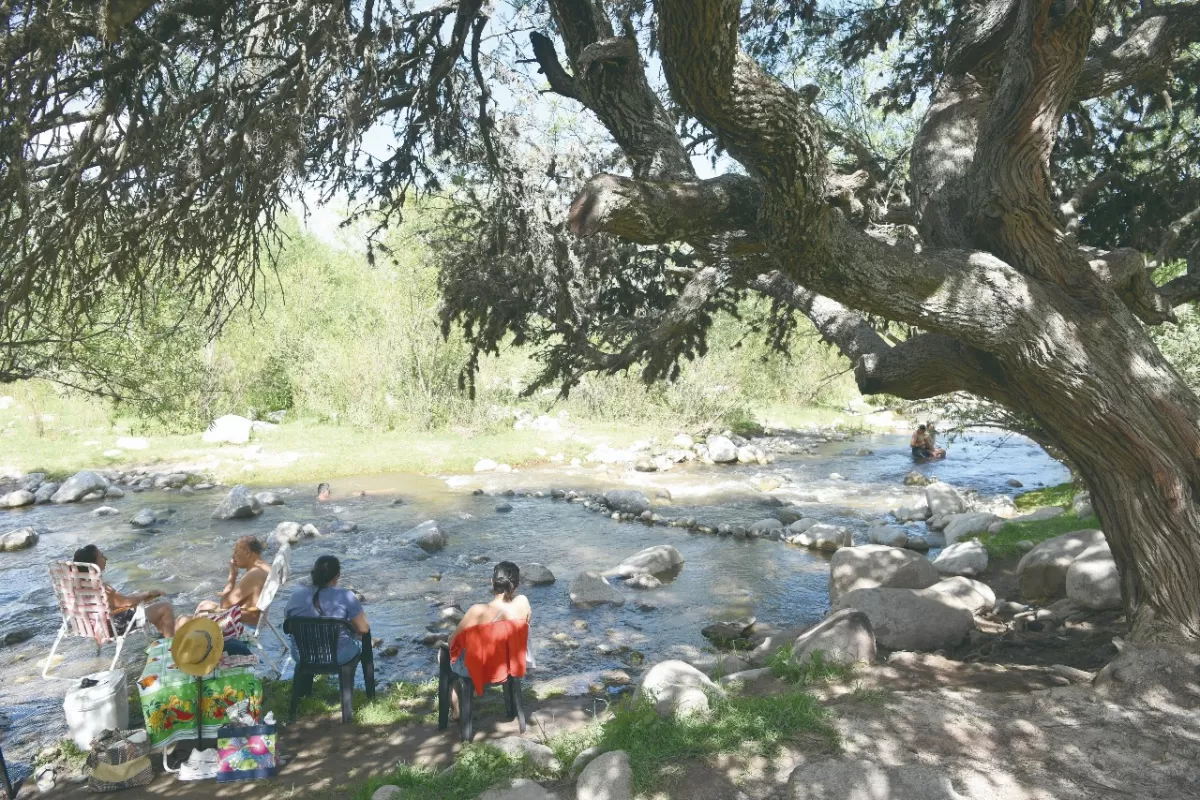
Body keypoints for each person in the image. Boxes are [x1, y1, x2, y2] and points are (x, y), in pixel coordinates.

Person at [445, 561, 532, 719]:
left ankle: (457, 711)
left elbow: (452, 641)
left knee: (444, 657)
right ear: (517, 585)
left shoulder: (477, 611)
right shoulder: (523, 604)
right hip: (509, 665)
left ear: (492, 582)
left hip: (480, 669)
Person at [72, 545, 176, 636]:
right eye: (101, 556)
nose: (105, 558)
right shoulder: (98, 586)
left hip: (91, 626)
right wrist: (148, 593)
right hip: (112, 627)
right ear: (92, 564)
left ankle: (161, 640)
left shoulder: (78, 585)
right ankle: (170, 648)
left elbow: (112, 604)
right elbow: (126, 602)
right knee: (165, 608)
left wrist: (143, 598)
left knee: (150, 604)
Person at [284, 555, 369, 665]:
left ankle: (303, 679)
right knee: (360, 639)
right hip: (339, 657)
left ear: (313, 573)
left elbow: (287, 627)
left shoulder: (295, 596)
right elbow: (363, 629)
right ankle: (365, 678)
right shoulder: (346, 596)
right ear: (337, 576)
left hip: (302, 656)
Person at [178, 536, 272, 631]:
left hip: (244, 626)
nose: (233, 556)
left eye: (235, 551)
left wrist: (232, 577)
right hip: (255, 619)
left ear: (247, 552)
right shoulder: (265, 567)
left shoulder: (254, 574)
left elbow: (225, 605)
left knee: (183, 620)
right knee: (204, 605)